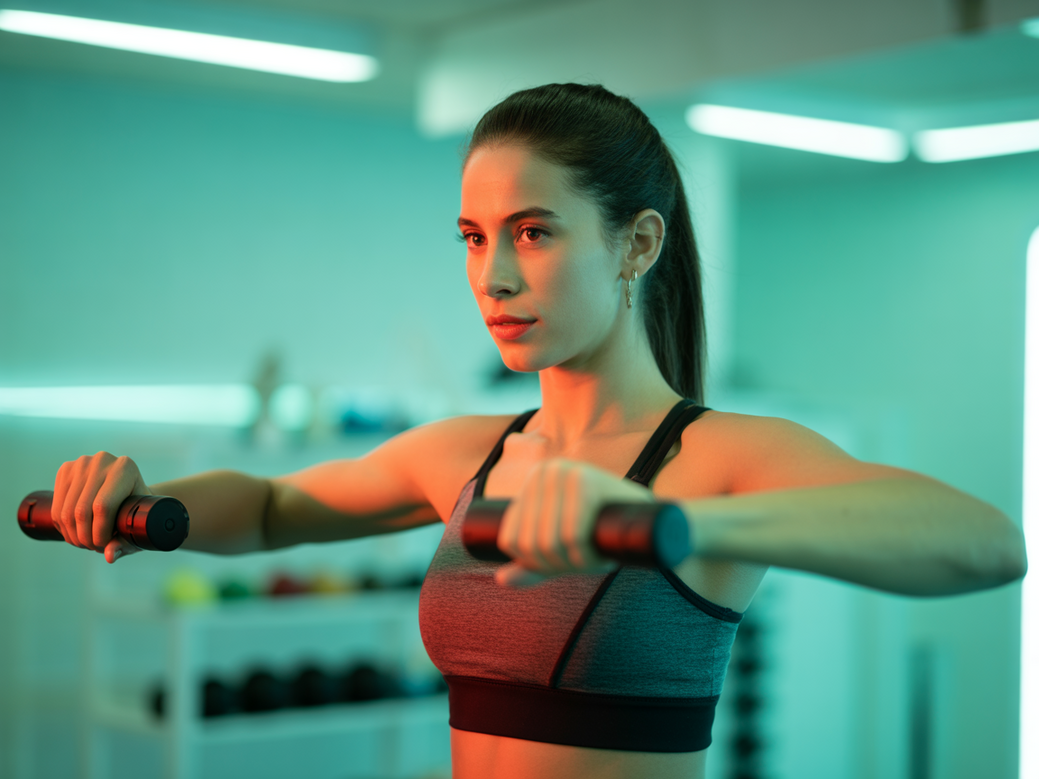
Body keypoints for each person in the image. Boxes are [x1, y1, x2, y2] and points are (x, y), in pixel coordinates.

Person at [49, 83, 1027, 779]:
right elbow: (268, 508)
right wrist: (140, 505)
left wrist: (676, 524)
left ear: (636, 243)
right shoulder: (465, 451)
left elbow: (989, 542)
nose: (493, 277)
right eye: (475, 238)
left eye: (533, 231)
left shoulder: (712, 457)